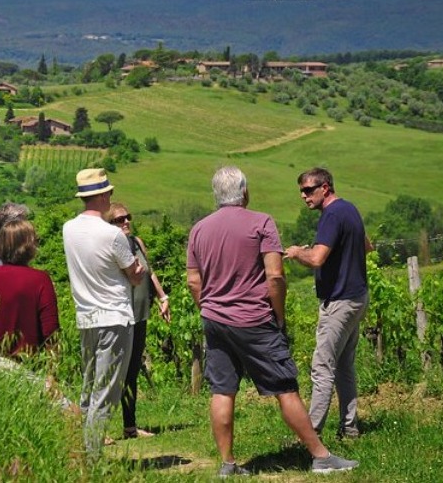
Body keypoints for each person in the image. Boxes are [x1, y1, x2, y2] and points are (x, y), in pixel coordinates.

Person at [187, 166, 358, 476]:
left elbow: (193, 281)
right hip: (254, 318)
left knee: (222, 391)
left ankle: (227, 464)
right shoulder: (261, 222)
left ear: (216, 194)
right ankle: (320, 457)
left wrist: (208, 308)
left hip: (214, 320)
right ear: (245, 191)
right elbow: (275, 276)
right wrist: (278, 315)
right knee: (285, 388)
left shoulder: (199, 229)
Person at [284, 167, 373, 440]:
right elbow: (367, 245)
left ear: (325, 187)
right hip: (357, 297)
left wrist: (299, 252)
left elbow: (317, 259)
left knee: (322, 366)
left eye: (309, 190)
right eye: (301, 190)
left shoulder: (331, 215)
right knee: (344, 366)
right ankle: (349, 427)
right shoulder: (349, 209)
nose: (304, 196)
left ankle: (311, 433)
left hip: (340, 301)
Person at [63, 168, 144, 459]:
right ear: (100, 196)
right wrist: (138, 268)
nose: (111, 196)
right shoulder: (113, 235)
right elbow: (135, 275)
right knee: (107, 390)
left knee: (88, 387)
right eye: (108, 191)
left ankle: (80, 449)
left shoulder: (68, 229)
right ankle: (92, 457)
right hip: (115, 317)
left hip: (86, 317)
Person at [104, 202, 171, 439]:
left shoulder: (137, 243)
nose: (126, 222)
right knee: (111, 371)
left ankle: (130, 427)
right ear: (109, 224)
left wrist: (162, 297)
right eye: (120, 219)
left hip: (140, 315)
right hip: (120, 317)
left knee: (132, 371)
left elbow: (149, 272)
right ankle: (99, 428)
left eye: (128, 217)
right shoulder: (110, 247)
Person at [0, 219, 59, 357]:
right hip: (28, 367)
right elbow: (51, 333)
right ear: (30, 246)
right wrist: (52, 372)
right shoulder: (40, 280)